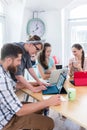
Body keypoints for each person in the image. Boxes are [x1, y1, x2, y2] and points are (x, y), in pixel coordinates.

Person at [0, 43, 61, 130]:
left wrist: (34, 84)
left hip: (9, 110)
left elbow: (15, 85)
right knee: (49, 122)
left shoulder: (4, 70)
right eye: (18, 60)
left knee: (40, 108)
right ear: (9, 60)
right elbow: (19, 111)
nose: (20, 64)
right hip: (6, 122)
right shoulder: (2, 78)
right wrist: (48, 102)